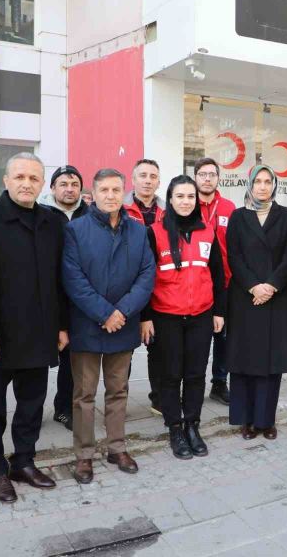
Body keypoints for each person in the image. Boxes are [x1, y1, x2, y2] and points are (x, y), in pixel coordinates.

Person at [0, 152, 69, 503]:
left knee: (31, 405)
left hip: (39, 335)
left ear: (42, 185)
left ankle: (24, 460)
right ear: (6, 180)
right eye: (20, 177)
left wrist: (61, 327)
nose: (26, 184)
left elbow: (59, 281)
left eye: (34, 178)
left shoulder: (53, 222)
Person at [62, 169, 155, 482]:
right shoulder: (76, 230)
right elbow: (73, 280)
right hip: (88, 326)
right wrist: (105, 313)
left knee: (118, 391)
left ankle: (116, 447)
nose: (111, 195)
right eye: (104, 190)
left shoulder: (138, 232)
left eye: (117, 189)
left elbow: (146, 276)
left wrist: (123, 311)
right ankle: (84, 455)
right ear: (94, 192)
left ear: (124, 192)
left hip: (124, 325)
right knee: (84, 395)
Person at [140, 175, 226, 459]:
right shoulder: (154, 232)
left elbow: (217, 275)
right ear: (171, 199)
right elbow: (144, 277)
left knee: (195, 374)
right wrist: (146, 316)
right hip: (166, 317)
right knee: (170, 375)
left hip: (201, 315)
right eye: (180, 196)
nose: (186, 201)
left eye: (191, 196)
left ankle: (193, 425)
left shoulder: (208, 231)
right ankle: (174, 428)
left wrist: (218, 311)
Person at [225, 165, 287, 439]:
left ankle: (266, 420)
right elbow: (233, 256)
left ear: (274, 185)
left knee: (271, 362)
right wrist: (253, 286)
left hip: (276, 297)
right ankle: (245, 420)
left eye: (268, 181)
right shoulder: (237, 217)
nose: (263, 186)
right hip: (245, 298)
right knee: (244, 359)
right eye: (258, 181)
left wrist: (270, 286)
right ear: (249, 185)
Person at [41, 165, 88, 432]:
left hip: (77, 299)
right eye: (63, 184)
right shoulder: (42, 214)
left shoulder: (90, 214)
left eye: (74, 183)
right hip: (47, 296)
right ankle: (32, 411)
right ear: (52, 188)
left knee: (73, 360)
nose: (69, 188)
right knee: (38, 360)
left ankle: (64, 408)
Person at [123, 159, 165, 415]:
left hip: (159, 288)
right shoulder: (121, 207)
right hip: (128, 289)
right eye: (143, 175)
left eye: (153, 176)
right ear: (133, 179)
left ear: (159, 181)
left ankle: (158, 399)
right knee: (124, 352)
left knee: (158, 349)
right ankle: (118, 404)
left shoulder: (167, 210)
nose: (148, 180)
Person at [194, 157, 236, 406]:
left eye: (212, 174)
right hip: (196, 284)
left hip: (226, 285)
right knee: (199, 339)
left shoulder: (229, 207)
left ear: (218, 178)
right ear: (196, 177)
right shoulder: (187, 203)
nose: (207, 179)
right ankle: (193, 384)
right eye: (203, 174)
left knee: (224, 338)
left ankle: (220, 383)